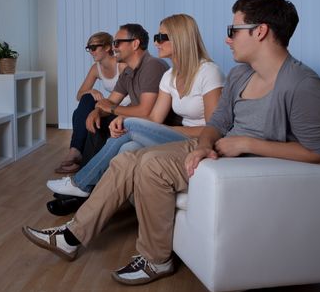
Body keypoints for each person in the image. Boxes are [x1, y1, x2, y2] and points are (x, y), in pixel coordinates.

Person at [22, 0, 320, 286]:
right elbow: (217, 122)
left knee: (150, 162)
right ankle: (71, 237)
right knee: (128, 155)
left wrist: (247, 144)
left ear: (260, 31)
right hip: (219, 146)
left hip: (245, 159)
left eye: (234, 30)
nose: (227, 39)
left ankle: (156, 259)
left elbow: (315, 152)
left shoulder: (301, 84)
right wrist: (205, 144)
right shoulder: (240, 74)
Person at [47, 14, 225, 200]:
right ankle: (94, 197)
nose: (156, 43)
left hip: (199, 141)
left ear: (181, 38)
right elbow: (154, 118)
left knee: (128, 125)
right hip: (176, 134)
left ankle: (80, 183)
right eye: (156, 38)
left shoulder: (208, 72)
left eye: (161, 38)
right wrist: (112, 115)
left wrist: (129, 120)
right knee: (127, 149)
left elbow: (213, 129)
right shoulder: (170, 75)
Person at [79, 23, 170, 167]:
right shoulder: (128, 72)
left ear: (135, 44)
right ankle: (86, 174)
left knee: (115, 126)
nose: (114, 47)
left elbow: (145, 111)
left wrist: (112, 109)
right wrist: (96, 111)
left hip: (157, 128)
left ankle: (84, 180)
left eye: (117, 43)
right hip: (139, 121)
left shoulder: (153, 65)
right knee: (98, 121)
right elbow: (109, 102)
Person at [55, 32, 129, 174]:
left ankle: (77, 154)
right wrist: (91, 91)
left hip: (124, 107)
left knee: (78, 114)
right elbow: (79, 95)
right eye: (89, 48)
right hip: (111, 103)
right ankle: (75, 151)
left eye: (94, 47)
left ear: (108, 47)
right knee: (87, 98)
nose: (91, 51)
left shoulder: (122, 65)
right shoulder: (96, 68)